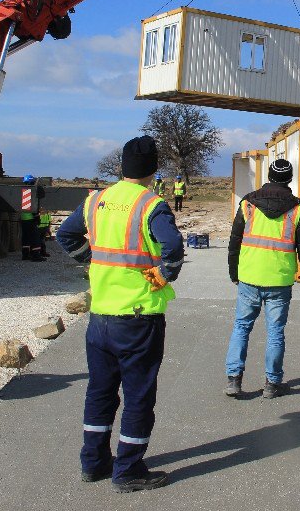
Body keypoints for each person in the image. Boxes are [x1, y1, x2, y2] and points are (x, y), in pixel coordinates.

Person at [56, 135, 185, 492]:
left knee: (100, 391)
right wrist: (163, 273)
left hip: (100, 316)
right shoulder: (151, 204)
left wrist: (91, 260)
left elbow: (65, 236)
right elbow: (172, 247)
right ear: (153, 169)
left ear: (121, 167)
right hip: (139, 317)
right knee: (138, 395)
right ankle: (128, 469)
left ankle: (93, 462)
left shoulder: (95, 200)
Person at [224, 158, 300, 399]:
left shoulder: (248, 204)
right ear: (289, 178)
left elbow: (234, 242)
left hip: (250, 277)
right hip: (279, 281)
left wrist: (234, 272)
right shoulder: (297, 209)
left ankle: (234, 380)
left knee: (242, 327)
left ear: (269, 176)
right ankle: (271, 384)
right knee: (275, 332)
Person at [20, 174, 46, 262]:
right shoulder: (30, 192)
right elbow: (32, 208)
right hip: (30, 219)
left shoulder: (21, 191)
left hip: (23, 219)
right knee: (35, 238)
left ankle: (25, 255)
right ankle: (36, 256)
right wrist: (36, 217)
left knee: (26, 238)